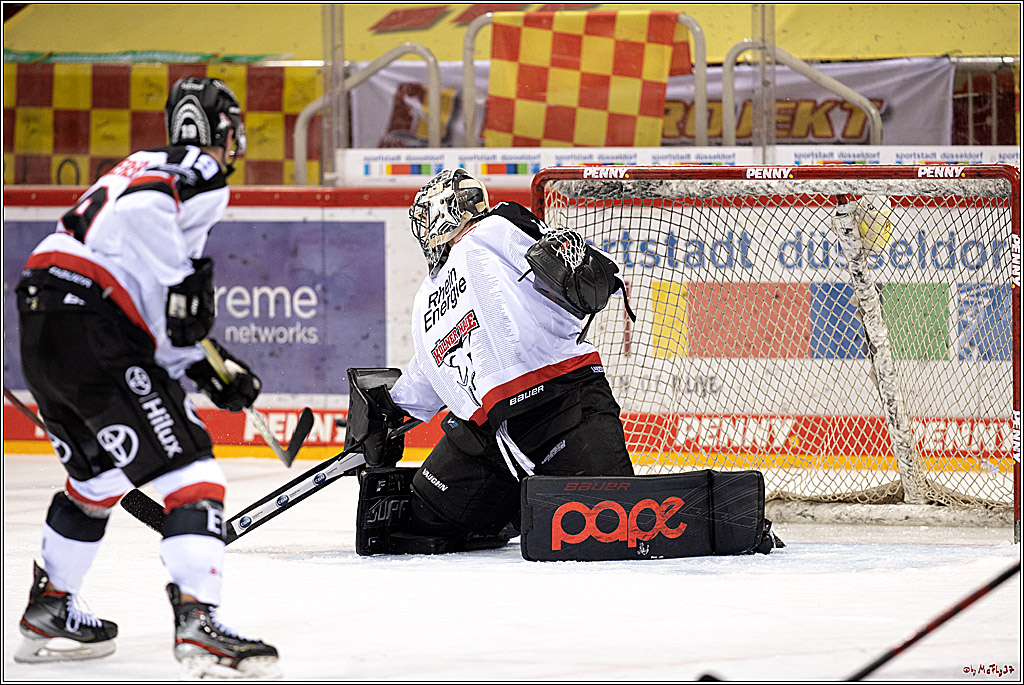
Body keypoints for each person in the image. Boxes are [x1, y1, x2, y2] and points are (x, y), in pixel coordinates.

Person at [13, 77, 279, 679]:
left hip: (47, 319)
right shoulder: (198, 170)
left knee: (98, 475)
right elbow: (145, 225)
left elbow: (152, 312)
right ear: (225, 133)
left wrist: (205, 370)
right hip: (90, 321)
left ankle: (50, 607)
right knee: (195, 475)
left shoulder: (131, 167)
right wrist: (184, 278)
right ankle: (199, 625)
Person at [350, 168, 636, 554]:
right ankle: (518, 503)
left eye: (424, 218)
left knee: (610, 524)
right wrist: (385, 413)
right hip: (487, 438)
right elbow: (429, 367)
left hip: (561, 403)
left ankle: (534, 498)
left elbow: (572, 264)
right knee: (416, 523)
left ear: (445, 211)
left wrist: (578, 262)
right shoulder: (425, 296)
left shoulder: (494, 229)